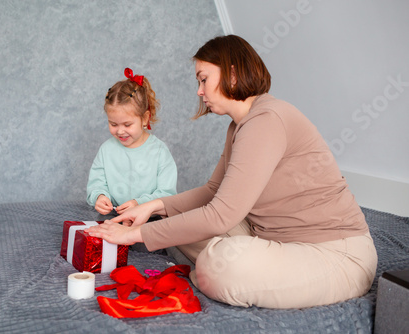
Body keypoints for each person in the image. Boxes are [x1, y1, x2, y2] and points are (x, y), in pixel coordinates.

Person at [86, 36, 378, 309]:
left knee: (218, 265)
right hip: (271, 238)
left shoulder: (267, 120)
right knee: (175, 218)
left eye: (203, 80)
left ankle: (222, 268)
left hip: (334, 254)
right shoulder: (239, 125)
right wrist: (152, 207)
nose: (199, 91)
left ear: (233, 75)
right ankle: (236, 262)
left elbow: (221, 214)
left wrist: (136, 234)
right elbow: (213, 191)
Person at [86, 68, 177, 216]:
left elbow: (167, 194)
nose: (120, 131)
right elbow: (96, 183)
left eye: (127, 125)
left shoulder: (159, 151)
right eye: (113, 124)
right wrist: (99, 196)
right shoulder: (106, 150)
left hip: (149, 222)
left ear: (145, 119)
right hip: (112, 218)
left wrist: (138, 204)